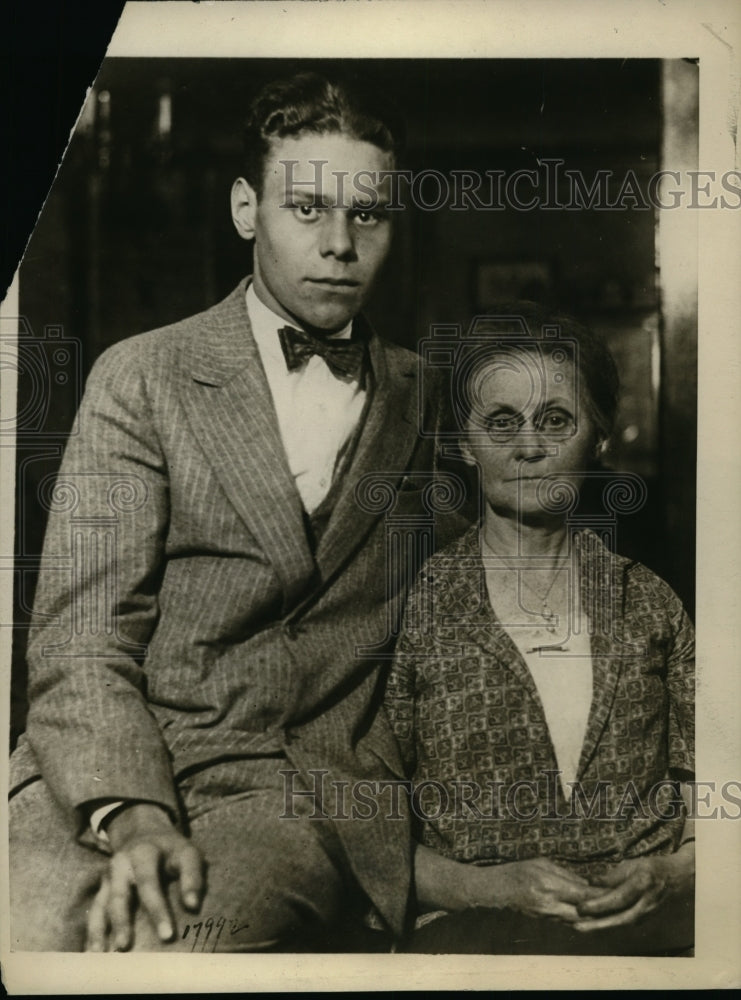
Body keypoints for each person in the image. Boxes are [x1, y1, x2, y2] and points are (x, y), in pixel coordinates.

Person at [8, 71, 458, 952]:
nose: (338, 244)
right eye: (307, 209)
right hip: (100, 777)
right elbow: (80, 637)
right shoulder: (141, 376)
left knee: (175, 952)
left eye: (367, 215)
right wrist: (135, 817)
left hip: (298, 792)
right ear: (246, 208)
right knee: (26, 940)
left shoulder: (425, 395)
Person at [384, 306, 695, 955]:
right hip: (474, 940)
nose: (529, 445)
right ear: (464, 443)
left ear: (598, 439)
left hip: (653, 934)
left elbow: (715, 793)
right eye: (501, 422)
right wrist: (480, 888)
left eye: (555, 420)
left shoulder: (649, 602)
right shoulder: (411, 611)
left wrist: (667, 872)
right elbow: (360, 834)